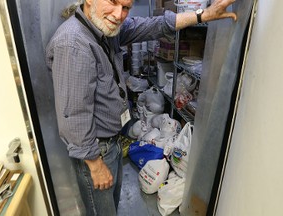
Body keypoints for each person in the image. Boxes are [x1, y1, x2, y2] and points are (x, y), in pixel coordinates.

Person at [45, 0, 236, 215]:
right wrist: (95, 165)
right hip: (96, 151)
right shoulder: (73, 43)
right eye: (113, 2)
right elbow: (73, 115)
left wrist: (203, 15)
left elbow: (152, 25)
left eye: (126, 7)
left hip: (111, 142)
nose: (119, 14)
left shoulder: (103, 29)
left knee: (111, 206)